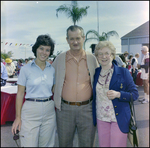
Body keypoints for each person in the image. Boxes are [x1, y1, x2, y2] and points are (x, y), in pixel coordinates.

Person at [52, 25, 99, 147]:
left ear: (83, 38)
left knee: (87, 143)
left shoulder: (92, 59)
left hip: (87, 109)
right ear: (67, 40)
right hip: (65, 110)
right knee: (64, 143)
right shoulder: (60, 59)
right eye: (71, 39)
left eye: (78, 38)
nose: (75, 42)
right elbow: (50, 80)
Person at [11, 34, 56, 147]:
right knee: (28, 144)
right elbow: (20, 94)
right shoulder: (25, 69)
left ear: (50, 52)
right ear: (36, 48)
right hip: (30, 110)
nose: (44, 52)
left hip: (49, 110)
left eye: (47, 50)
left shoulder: (52, 70)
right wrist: (18, 118)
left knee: (47, 145)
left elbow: (54, 89)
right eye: (41, 48)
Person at [92, 41, 139, 147]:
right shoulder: (96, 73)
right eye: (100, 54)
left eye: (107, 53)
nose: (103, 56)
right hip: (101, 118)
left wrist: (119, 94)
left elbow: (135, 94)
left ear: (112, 55)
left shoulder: (123, 72)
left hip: (119, 119)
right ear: (97, 56)